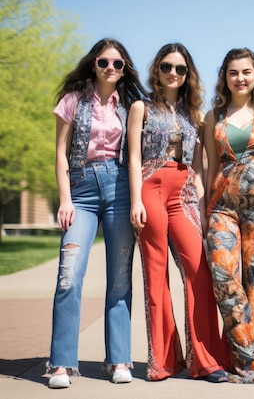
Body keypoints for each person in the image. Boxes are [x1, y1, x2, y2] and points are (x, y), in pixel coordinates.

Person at [48, 38, 148, 389]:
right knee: (69, 275)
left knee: (120, 279)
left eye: (117, 64)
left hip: (120, 189)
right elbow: (60, 153)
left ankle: (119, 359)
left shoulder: (132, 105)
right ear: (93, 63)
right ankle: (61, 363)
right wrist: (65, 199)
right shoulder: (72, 101)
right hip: (82, 191)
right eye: (104, 62)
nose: (110, 68)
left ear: (124, 69)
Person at [127, 43, 228, 383]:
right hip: (150, 188)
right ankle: (164, 362)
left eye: (180, 69)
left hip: (183, 191)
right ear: (157, 69)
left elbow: (198, 165)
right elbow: (134, 157)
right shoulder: (140, 107)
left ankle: (206, 361)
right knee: (156, 275)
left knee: (199, 271)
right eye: (167, 67)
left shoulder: (193, 113)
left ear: (188, 75)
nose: (173, 73)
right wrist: (136, 201)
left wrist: (200, 205)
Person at [204, 48, 254, 383]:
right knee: (224, 278)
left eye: (246, 72)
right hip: (221, 206)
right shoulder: (213, 116)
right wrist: (201, 212)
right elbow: (209, 166)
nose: (240, 78)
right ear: (225, 76)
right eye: (234, 72)